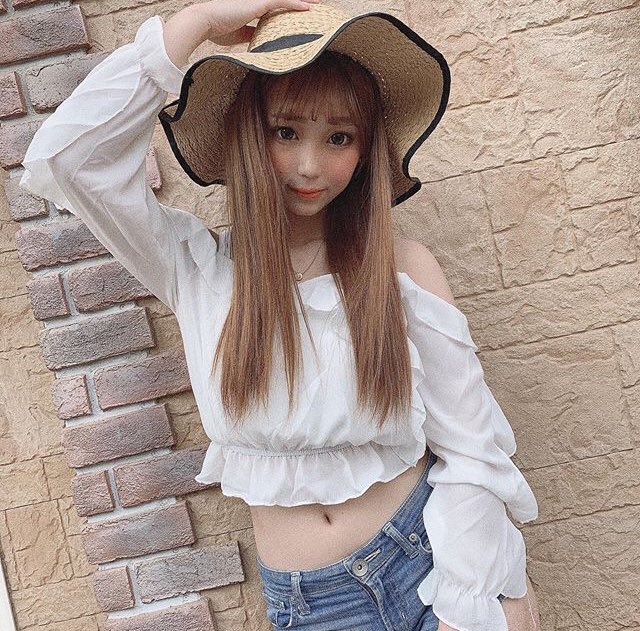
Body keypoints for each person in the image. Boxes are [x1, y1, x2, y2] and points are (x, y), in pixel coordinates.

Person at [19, 1, 541, 629]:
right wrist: (196, 24)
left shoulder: (402, 268)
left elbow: (472, 449)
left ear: (366, 149)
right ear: (249, 136)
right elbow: (69, 159)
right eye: (285, 132)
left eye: (339, 138)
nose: (310, 166)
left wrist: (471, 596)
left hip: (436, 568)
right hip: (315, 605)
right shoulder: (198, 269)